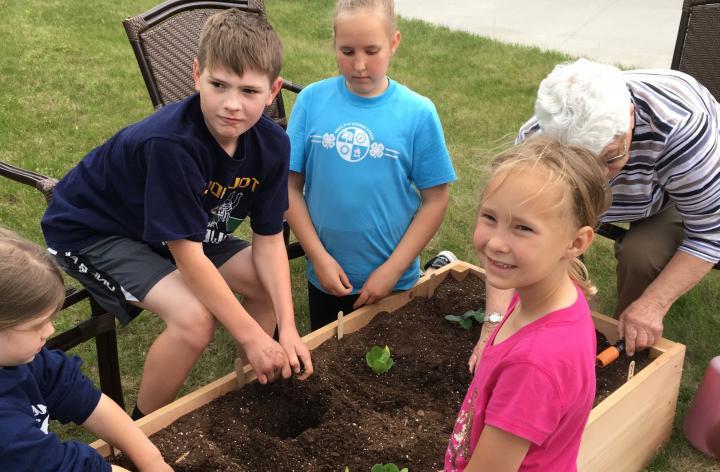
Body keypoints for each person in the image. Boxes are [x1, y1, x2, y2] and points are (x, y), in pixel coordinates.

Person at [40, 9, 313, 420]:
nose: (232, 105)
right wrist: (253, 334)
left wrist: (286, 329)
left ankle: (250, 389)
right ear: (196, 73)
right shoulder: (172, 144)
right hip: (94, 229)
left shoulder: (273, 143)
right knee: (194, 320)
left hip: (179, 226)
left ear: (274, 90)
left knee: (263, 284)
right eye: (218, 85)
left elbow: (270, 238)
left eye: (249, 91)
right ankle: (140, 430)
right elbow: (187, 255)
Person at [483, 58, 720, 358]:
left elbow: (709, 234)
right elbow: (511, 231)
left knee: (641, 255)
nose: (599, 181)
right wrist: (494, 325)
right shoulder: (538, 137)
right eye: (579, 165)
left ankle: (622, 342)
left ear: (631, 117)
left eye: (609, 158)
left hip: (673, 197)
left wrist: (652, 305)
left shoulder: (682, 129)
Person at [285, 0, 457, 330]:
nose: (359, 65)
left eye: (372, 51)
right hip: (326, 277)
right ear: (334, 39)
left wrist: (393, 269)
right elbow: (288, 186)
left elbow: (436, 199)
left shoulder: (418, 113)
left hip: (393, 280)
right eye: (347, 51)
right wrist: (318, 258)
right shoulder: (311, 101)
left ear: (394, 43)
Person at [445, 136, 612, 471]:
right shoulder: (541, 293)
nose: (495, 242)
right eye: (490, 217)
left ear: (575, 242)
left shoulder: (535, 364)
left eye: (523, 228)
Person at [0, 228, 172, 472]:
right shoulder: (7, 433)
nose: (50, 331)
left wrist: (152, 460)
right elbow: (64, 467)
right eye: (36, 325)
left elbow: (74, 392)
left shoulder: (21, 359)